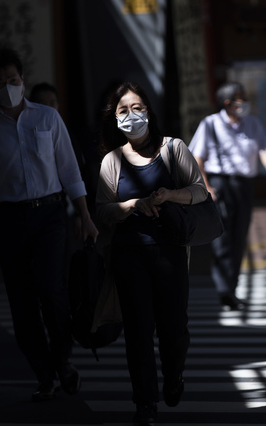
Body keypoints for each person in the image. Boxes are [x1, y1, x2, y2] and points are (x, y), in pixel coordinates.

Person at [0, 45, 98, 401]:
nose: (9, 86)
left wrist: (84, 214)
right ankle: (44, 373)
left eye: (14, 79)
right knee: (21, 301)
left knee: (52, 289)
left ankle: (63, 360)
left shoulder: (47, 118)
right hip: (9, 219)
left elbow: (69, 168)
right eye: (0, 82)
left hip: (50, 214)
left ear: (23, 79)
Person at [95, 81, 208, 425]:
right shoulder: (111, 161)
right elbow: (101, 209)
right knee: (138, 333)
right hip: (130, 257)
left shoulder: (174, 149)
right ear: (114, 119)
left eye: (137, 108)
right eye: (123, 111)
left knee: (174, 329)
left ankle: (174, 376)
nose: (132, 116)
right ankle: (145, 404)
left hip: (170, 254)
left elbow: (200, 191)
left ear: (149, 111)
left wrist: (168, 196)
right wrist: (129, 206)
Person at [188, 81, 266, 311]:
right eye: (240, 98)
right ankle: (224, 291)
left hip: (244, 185)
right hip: (220, 184)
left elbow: (265, 149)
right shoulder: (210, 124)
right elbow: (197, 158)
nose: (244, 103)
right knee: (223, 239)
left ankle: (231, 288)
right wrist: (207, 186)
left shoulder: (252, 123)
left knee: (240, 236)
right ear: (227, 102)